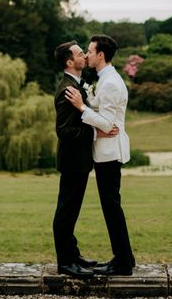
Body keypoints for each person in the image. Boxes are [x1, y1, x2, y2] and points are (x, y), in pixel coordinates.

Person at [65, 34, 136, 276]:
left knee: (111, 207)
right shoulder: (106, 79)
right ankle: (126, 257)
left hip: (108, 153)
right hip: (106, 152)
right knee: (111, 206)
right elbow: (101, 106)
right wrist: (87, 96)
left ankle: (123, 262)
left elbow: (107, 123)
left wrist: (81, 107)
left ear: (101, 55)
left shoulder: (111, 83)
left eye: (90, 51)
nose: (87, 55)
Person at [52, 41, 118, 278]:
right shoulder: (68, 90)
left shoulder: (77, 86)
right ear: (70, 62)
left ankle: (73, 254)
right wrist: (95, 132)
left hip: (79, 161)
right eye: (81, 53)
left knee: (72, 209)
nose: (85, 56)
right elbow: (64, 131)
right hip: (72, 161)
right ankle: (65, 262)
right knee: (66, 211)